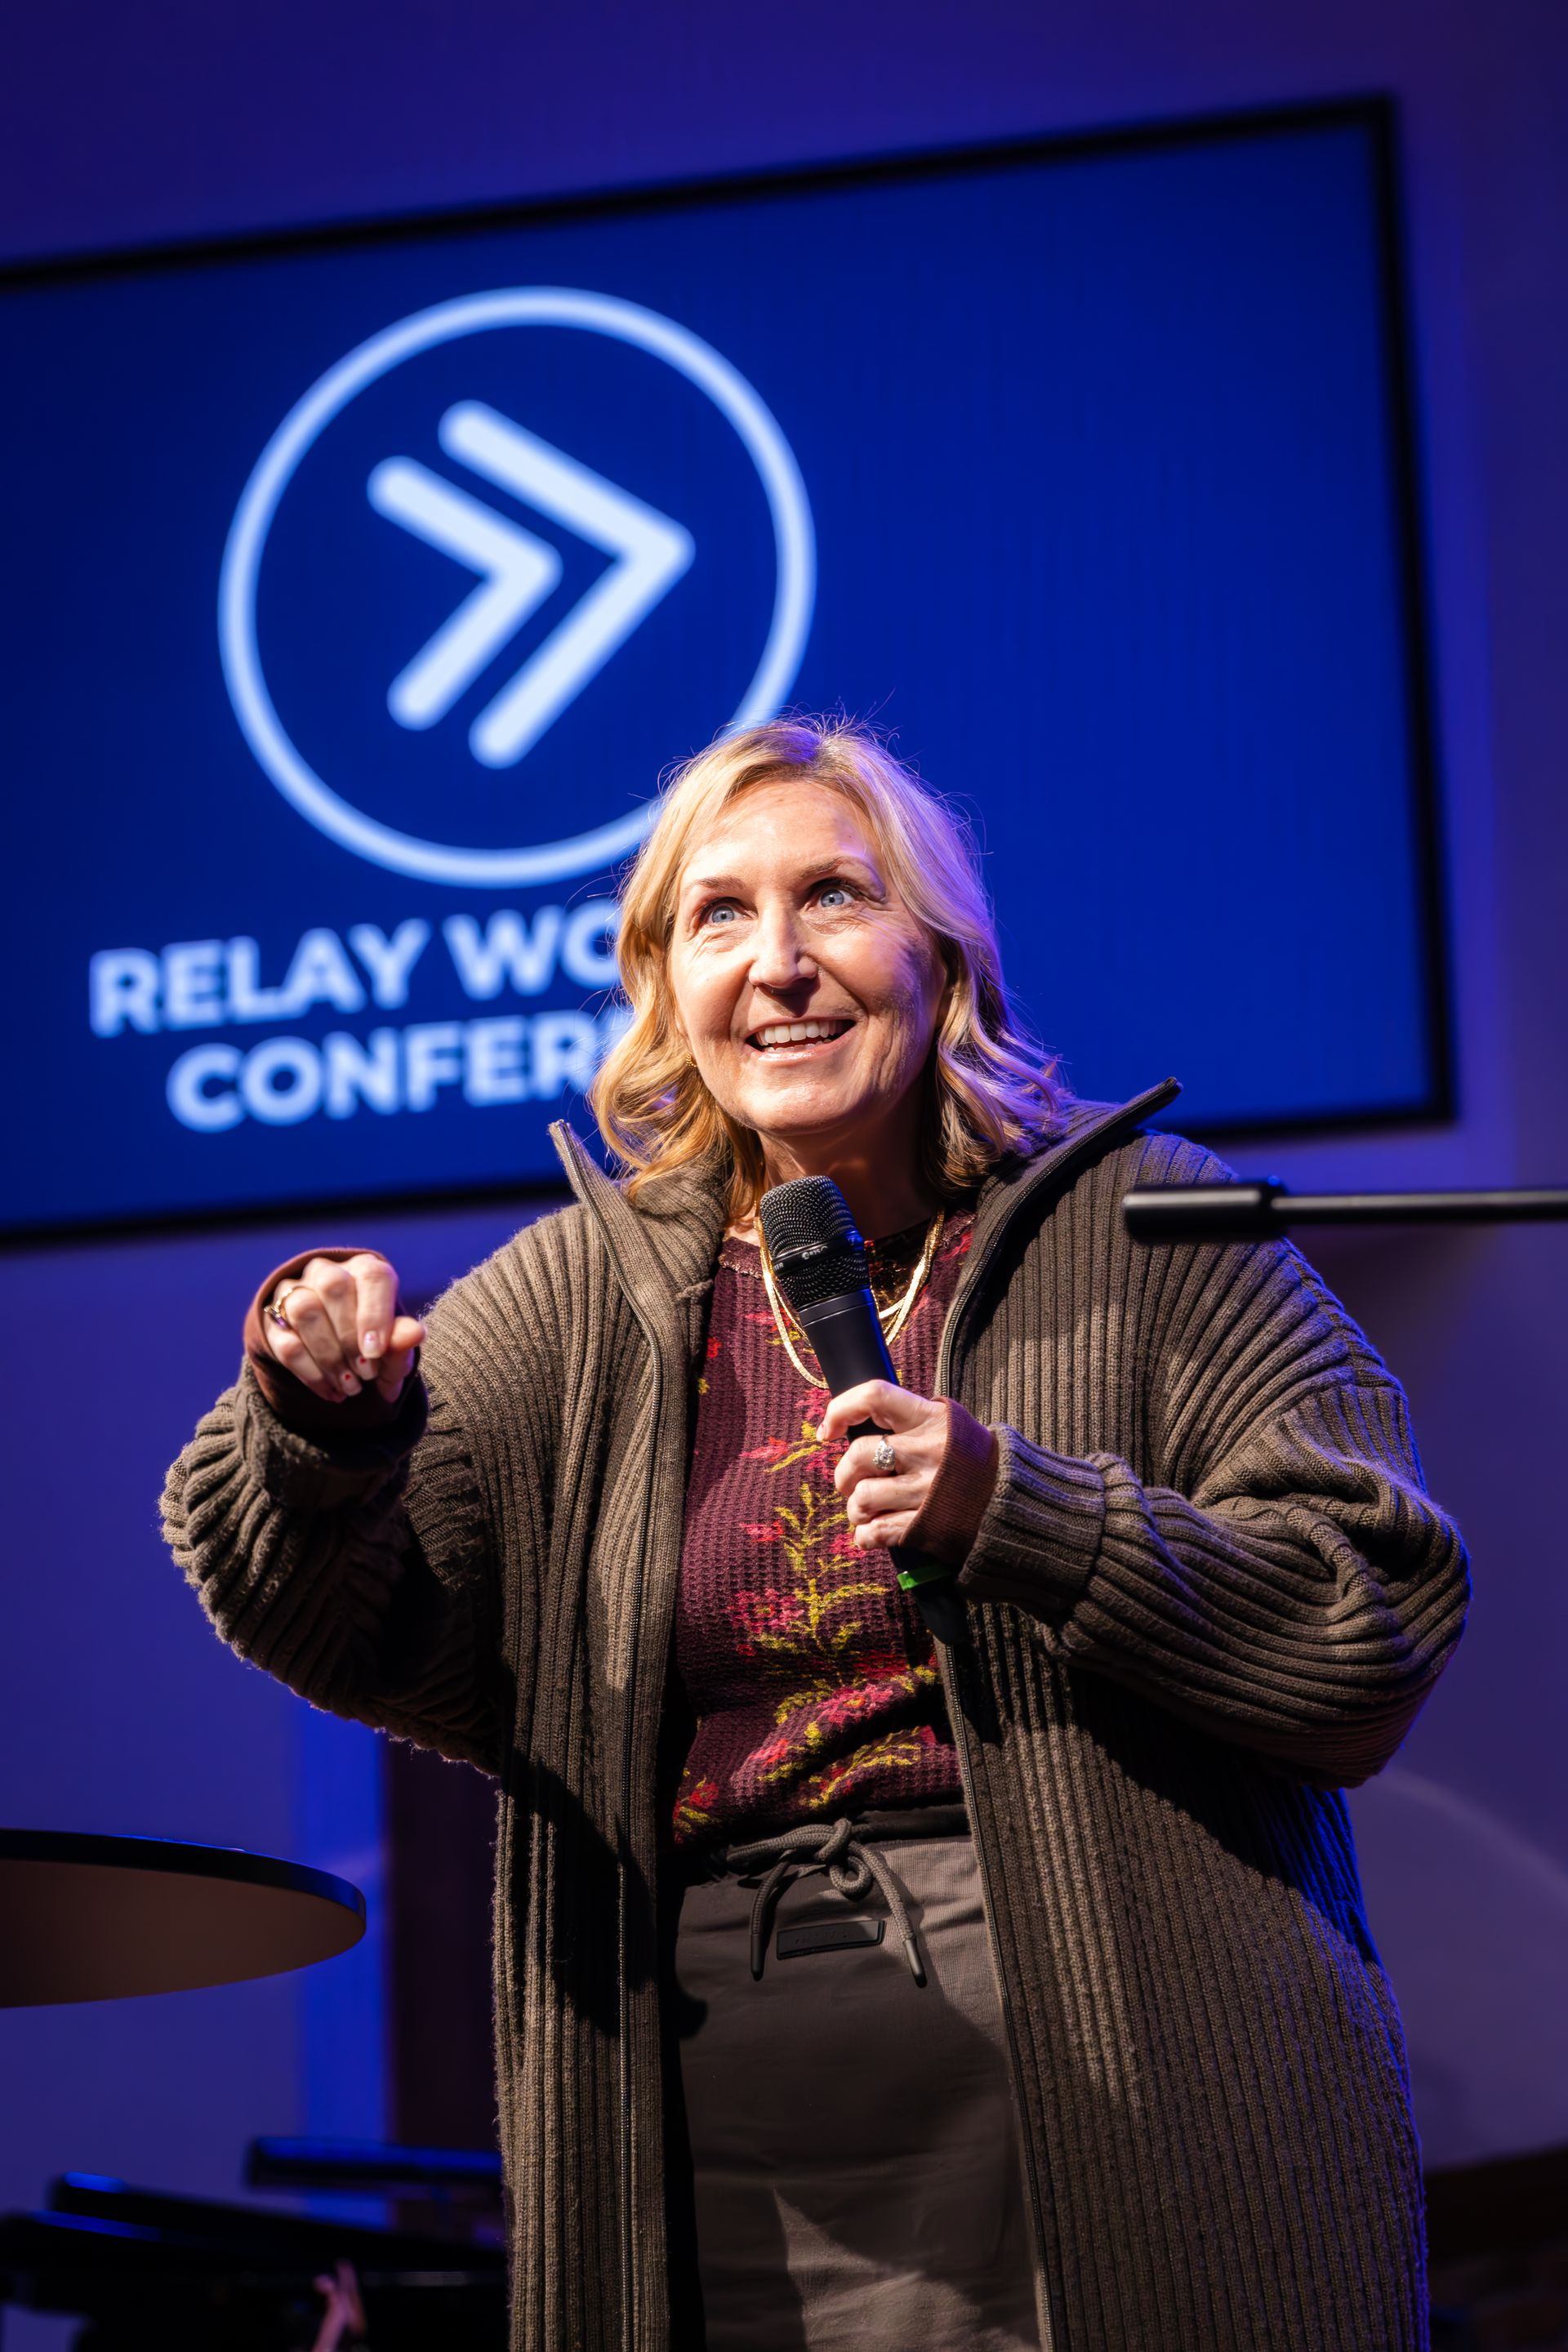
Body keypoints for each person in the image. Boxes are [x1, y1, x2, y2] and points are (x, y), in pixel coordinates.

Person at [162, 717, 1468, 2352]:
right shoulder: (581, 1301)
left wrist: (1025, 1511)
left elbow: (1372, 1617)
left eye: (833, 900)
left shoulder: (1147, 1236)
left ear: (940, 957)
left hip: (1126, 2102)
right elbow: (322, 1612)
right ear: (664, 982)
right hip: (702, 2120)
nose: (775, 965)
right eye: (720, 917)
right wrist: (318, 1417)